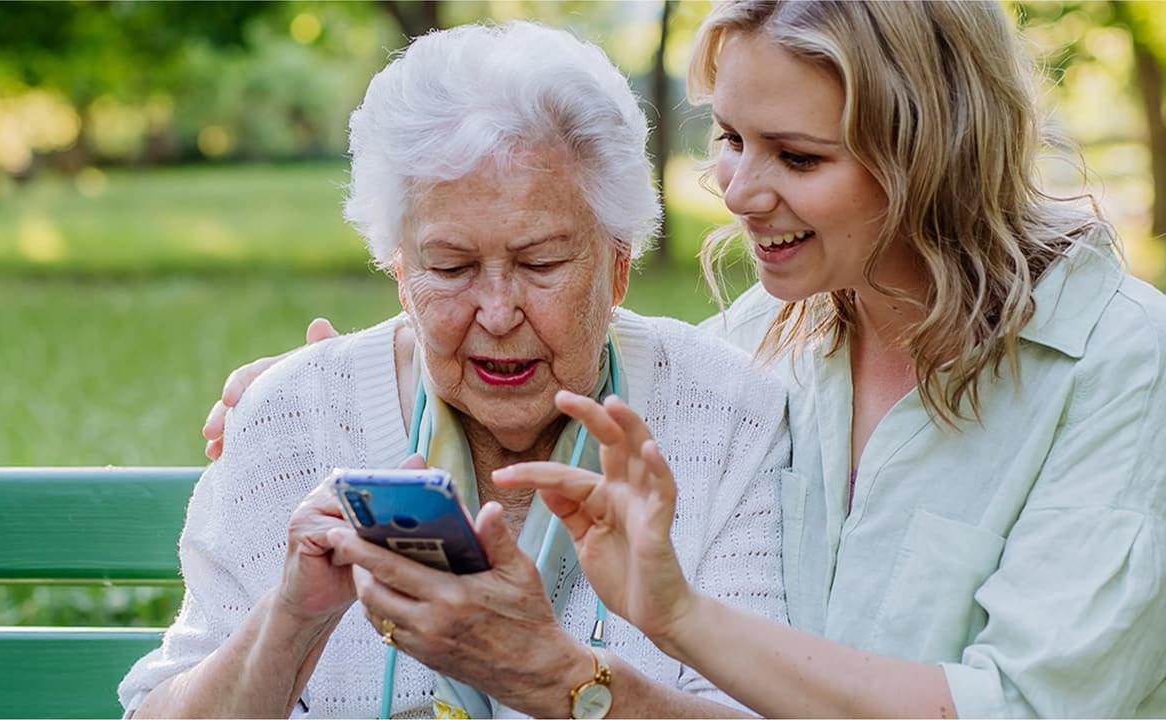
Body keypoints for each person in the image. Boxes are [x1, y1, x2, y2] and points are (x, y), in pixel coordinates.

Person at [209, 1, 1166, 717]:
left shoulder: (1120, 366)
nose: (739, 191)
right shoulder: (770, 338)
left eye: (796, 158)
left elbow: (1032, 708)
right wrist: (332, 380)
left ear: (934, 153)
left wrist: (643, 637)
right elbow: (580, 347)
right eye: (731, 140)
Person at [121, 20, 792, 719]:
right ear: (400, 272)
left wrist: (557, 679)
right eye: (451, 267)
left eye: (541, 263)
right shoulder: (293, 416)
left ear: (619, 266)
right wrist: (290, 620)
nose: (497, 312)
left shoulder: (727, 415)